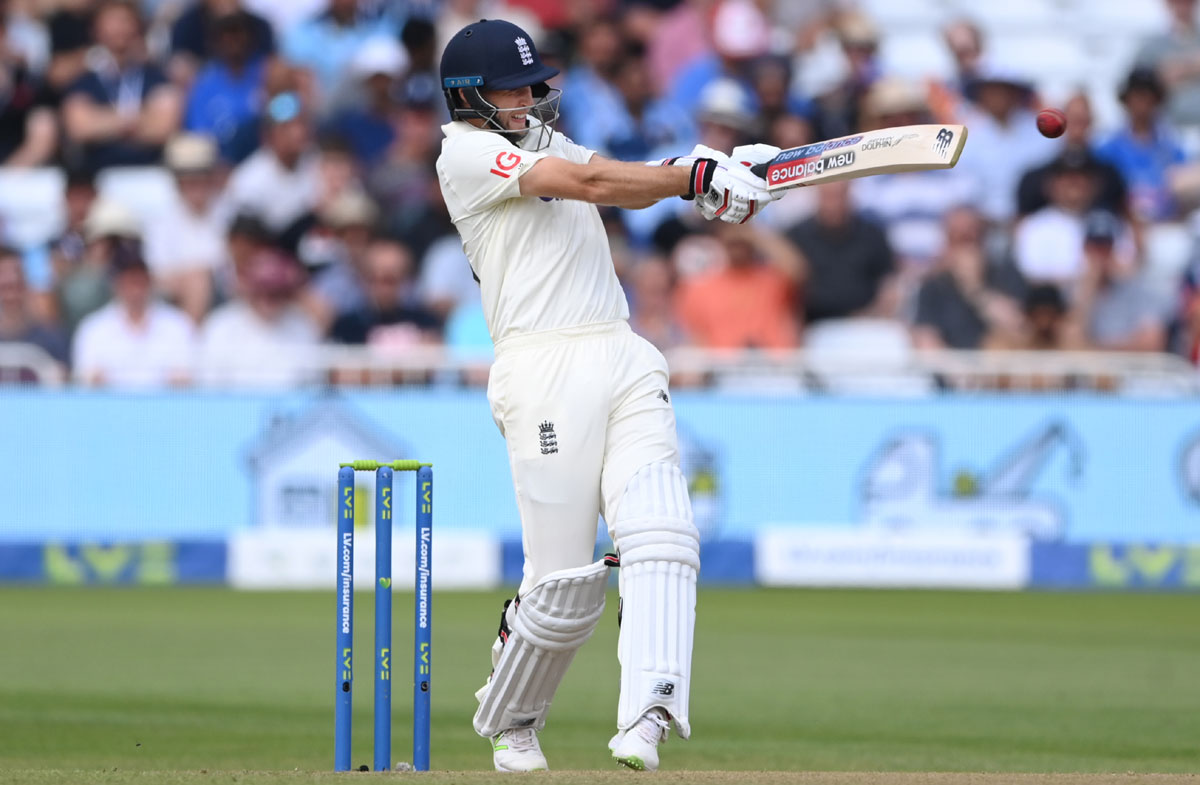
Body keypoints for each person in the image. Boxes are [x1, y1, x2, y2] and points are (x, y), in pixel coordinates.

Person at [435, 18, 775, 773]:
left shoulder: (543, 140)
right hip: (541, 367)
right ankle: (513, 719)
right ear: (468, 97)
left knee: (663, 535)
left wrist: (714, 180)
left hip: (620, 349)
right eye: (510, 88)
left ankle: (647, 716)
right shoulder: (463, 154)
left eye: (532, 83)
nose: (527, 98)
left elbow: (622, 182)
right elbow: (590, 184)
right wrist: (690, 174)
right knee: (563, 585)